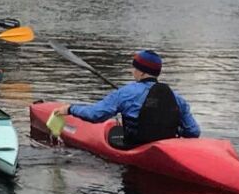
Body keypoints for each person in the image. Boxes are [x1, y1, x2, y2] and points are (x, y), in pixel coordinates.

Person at [63, 49, 201, 148]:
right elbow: (193, 132)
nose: (131, 71)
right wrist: (173, 131)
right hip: (166, 148)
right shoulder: (177, 98)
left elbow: (95, 115)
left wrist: (70, 109)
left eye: (134, 68)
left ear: (141, 72)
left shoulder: (125, 93)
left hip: (135, 146)